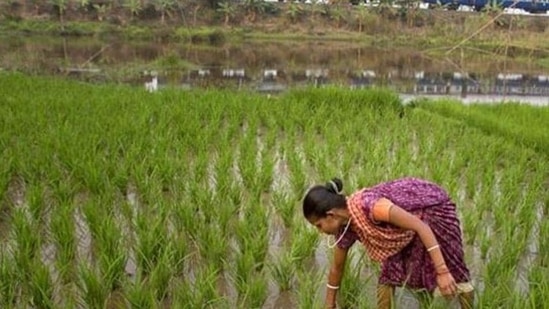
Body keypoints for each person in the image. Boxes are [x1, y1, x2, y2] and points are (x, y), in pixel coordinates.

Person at [302, 177, 475, 309]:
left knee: (453, 270)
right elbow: (336, 268)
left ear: (331, 215)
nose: (320, 230)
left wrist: (442, 271)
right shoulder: (346, 227)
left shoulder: (372, 207)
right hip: (398, 230)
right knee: (388, 276)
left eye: (319, 225)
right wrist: (329, 305)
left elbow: (421, 227)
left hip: (432, 213)